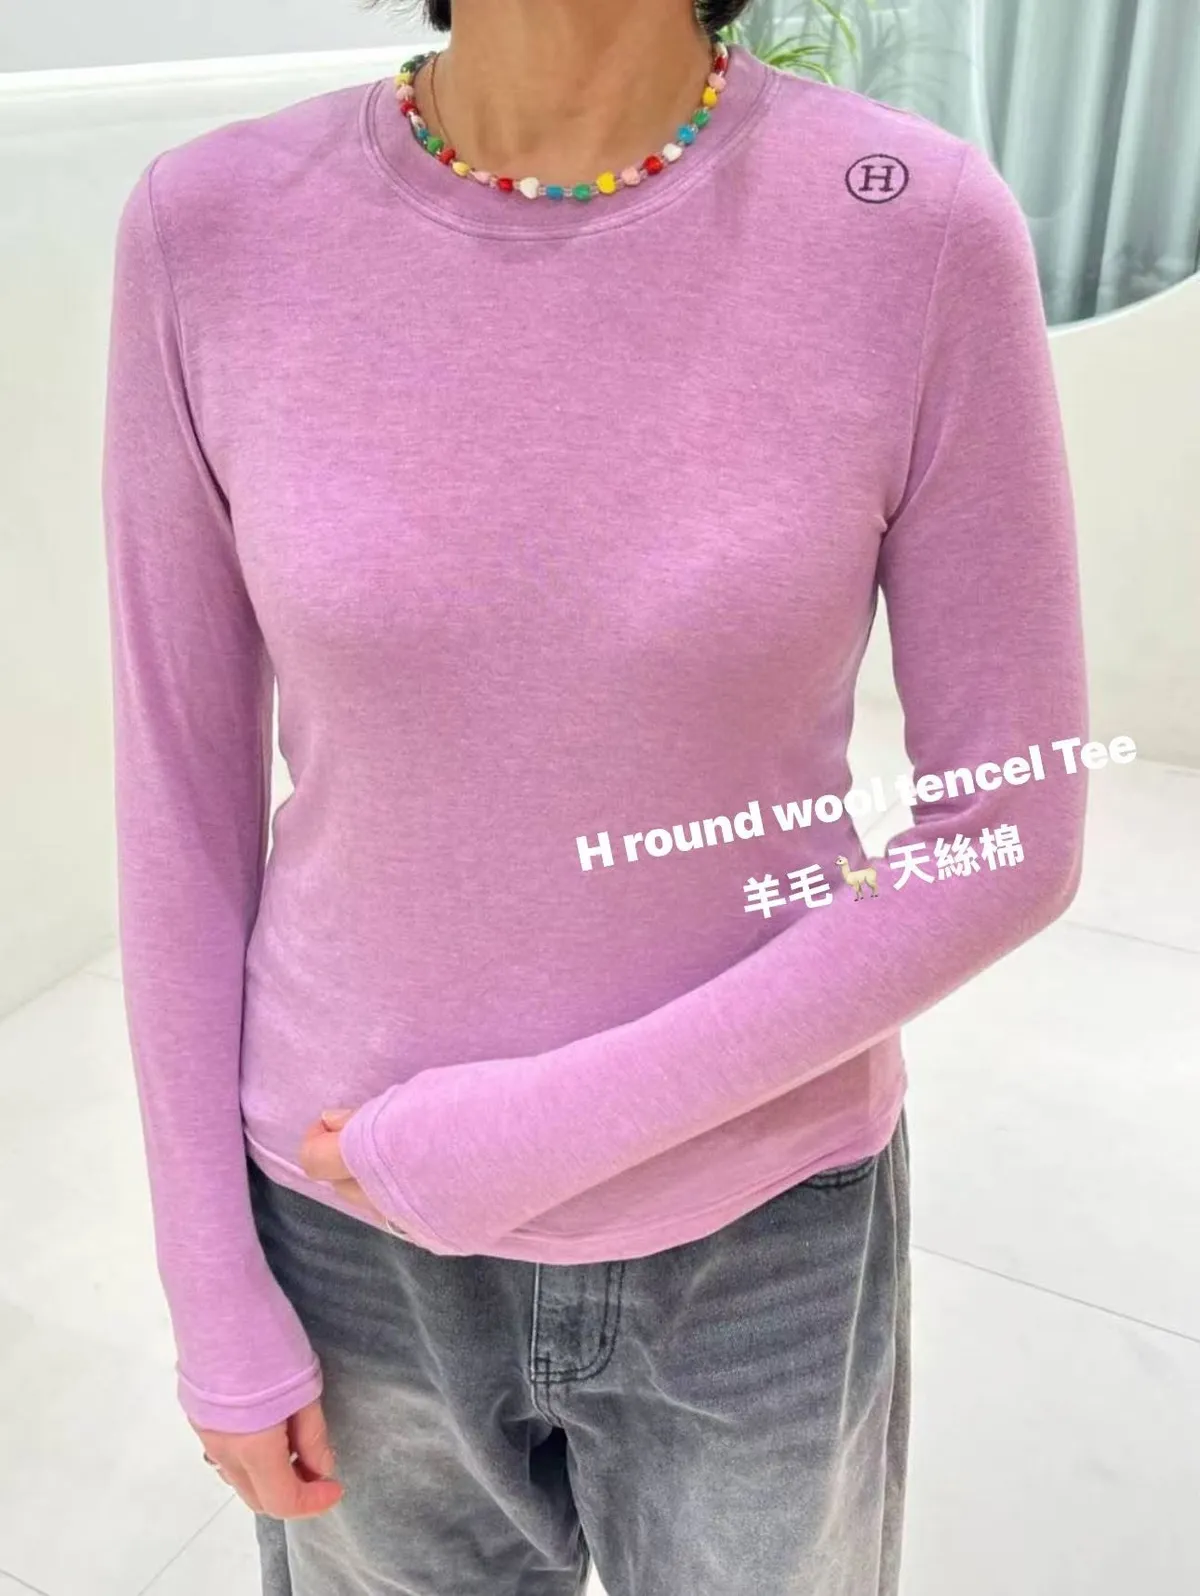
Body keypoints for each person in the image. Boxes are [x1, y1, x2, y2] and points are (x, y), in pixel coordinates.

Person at [100, 0, 1089, 1591]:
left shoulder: (912, 227)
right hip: (350, 1230)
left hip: (762, 1237)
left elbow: (1009, 829)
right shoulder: (211, 228)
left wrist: (530, 1134)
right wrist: (212, 1292)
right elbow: (178, 803)